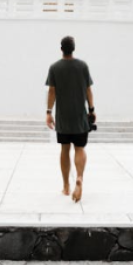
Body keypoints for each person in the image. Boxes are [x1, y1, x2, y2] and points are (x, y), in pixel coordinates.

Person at [45, 35, 94, 202]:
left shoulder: (54, 68)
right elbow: (88, 90)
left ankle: (66, 185)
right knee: (79, 148)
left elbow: (52, 91)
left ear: (61, 49)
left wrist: (48, 112)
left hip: (63, 118)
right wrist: (92, 109)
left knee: (65, 150)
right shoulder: (83, 66)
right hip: (80, 116)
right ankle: (79, 177)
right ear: (73, 48)